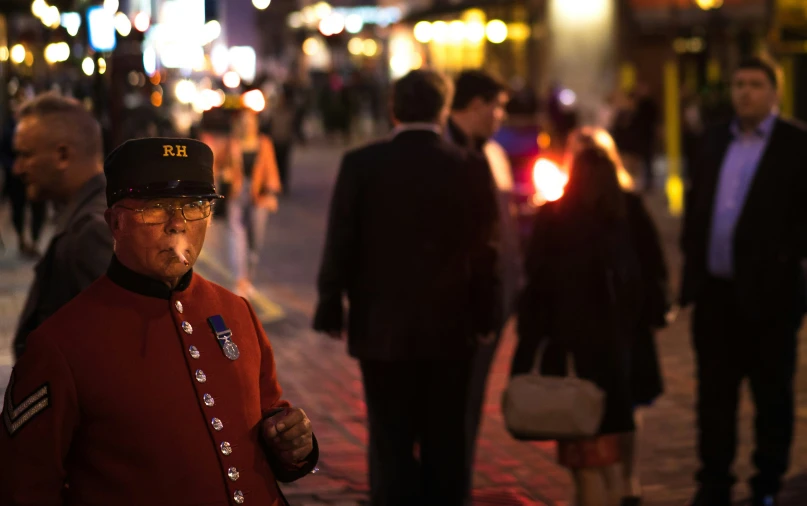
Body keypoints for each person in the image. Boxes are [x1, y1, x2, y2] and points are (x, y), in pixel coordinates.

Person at [0, 137, 318, 505]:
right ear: (115, 223)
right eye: (155, 209)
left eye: (195, 206)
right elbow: (25, 486)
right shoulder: (61, 345)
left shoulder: (236, 311)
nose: (178, 225)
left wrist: (293, 442)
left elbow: (268, 418)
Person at [313, 69, 500, 506]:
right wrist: (486, 311)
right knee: (446, 440)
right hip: (451, 327)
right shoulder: (469, 167)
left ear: (393, 108)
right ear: (442, 110)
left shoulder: (362, 165)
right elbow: (486, 250)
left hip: (382, 328)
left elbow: (342, 238)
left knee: (390, 439)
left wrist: (330, 302)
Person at [680, 56, 807, 506]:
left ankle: (766, 484)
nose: (745, 93)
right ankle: (713, 481)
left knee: (771, 398)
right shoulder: (713, 140)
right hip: (716, 294)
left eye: (755, 84)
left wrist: (784, 261)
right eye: (738, 84)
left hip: (770, 298)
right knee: (714, 398)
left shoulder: (796, 144)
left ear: (774, 91)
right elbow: (698, 206)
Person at [511, 140, 666, 506]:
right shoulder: (629, 212)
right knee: (612, 452)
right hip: (619, 354)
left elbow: (536, 286)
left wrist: (526, 352)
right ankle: (626, 489)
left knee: (585, 460)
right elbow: (653, 273)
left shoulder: (554, 218)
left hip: (570, 357)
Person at [445, 69, 522, 498]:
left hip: (491, 300)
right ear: (477, 105)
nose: (501, 117)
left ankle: (459, 484)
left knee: (470, 406)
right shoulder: (447, 154)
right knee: (452, 411)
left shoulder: (492, 154)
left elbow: (504, 232)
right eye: (498, 107)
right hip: (460, 306)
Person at [10, 93, 114, 360]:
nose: (17, 168)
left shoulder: (92, 230)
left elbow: (115, 352)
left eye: (25, 155)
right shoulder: (90, 215)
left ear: (63, 155)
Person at [217, 108, 282, 296]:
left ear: (256, 124)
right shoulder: (232, 143)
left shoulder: (264, 143)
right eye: (244, 122)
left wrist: (271, 193)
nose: (247, 125)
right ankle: (240, 279)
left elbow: (271, 169)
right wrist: (223, 173)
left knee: (255, 240)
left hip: (258, 197)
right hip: (236, 195)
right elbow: (217, 163)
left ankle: (249, 277)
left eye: (251, 121)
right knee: (236, 237)